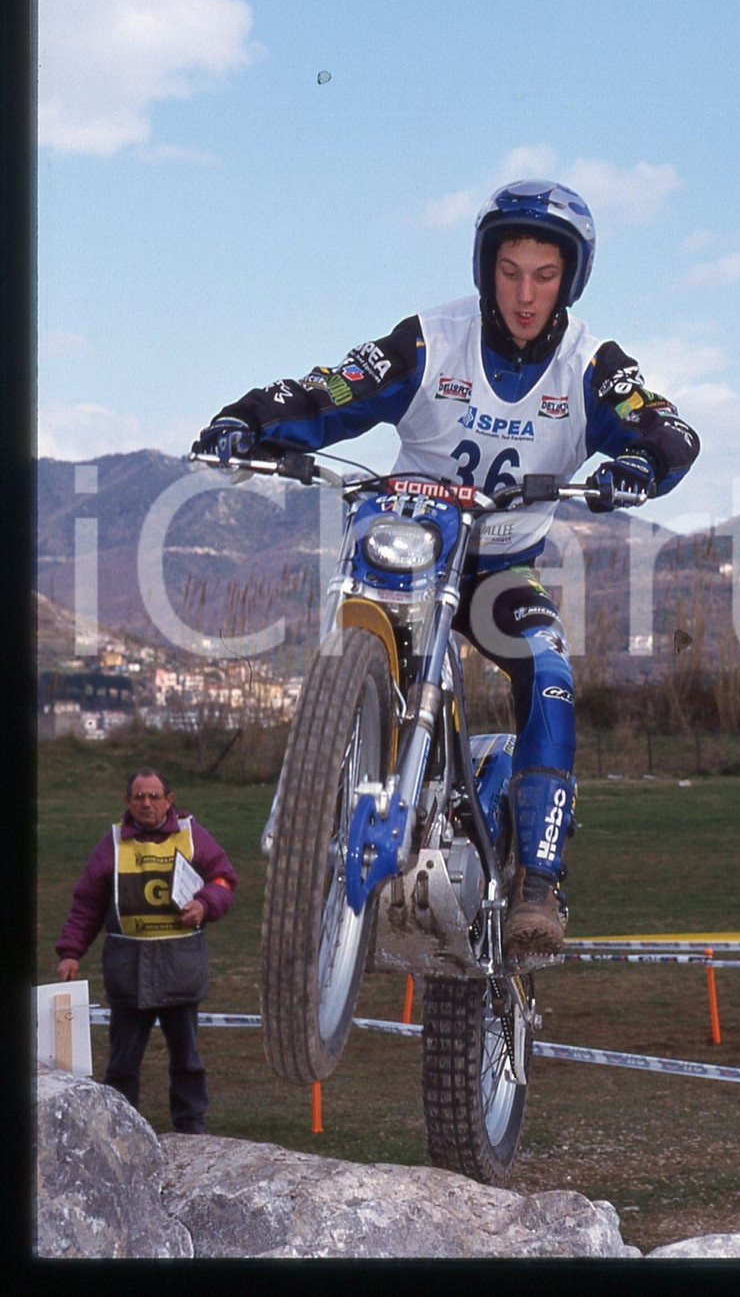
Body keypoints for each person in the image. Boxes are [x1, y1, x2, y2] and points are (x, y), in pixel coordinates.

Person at [193, 179, 699, 957]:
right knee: (354, 614)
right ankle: (335, 785)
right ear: (483, 267)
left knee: (552, 669)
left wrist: (639, 460)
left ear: (570, 278)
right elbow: (335, 387)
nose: (524, 294)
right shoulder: (431, 338)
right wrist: (249, 417)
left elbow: (667, 427)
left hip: (500, 569)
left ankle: (538, 880)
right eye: (509, 270)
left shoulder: (591, 363)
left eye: (544, 274)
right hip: (410, 548)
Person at [55, 767, 237, 1134]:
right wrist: (71, 951)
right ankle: (120, 1132)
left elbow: (223, 879)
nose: (146, 803)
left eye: (154, 796)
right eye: (139, 796)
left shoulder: (193, 836)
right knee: (122, 1064)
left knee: (187, 1060)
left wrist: (204, 904)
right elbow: (87, 904)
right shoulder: (111, 844)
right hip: (128, 974)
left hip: (180, 970)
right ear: (127, 802)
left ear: (169, 801)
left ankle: (191, 1129)